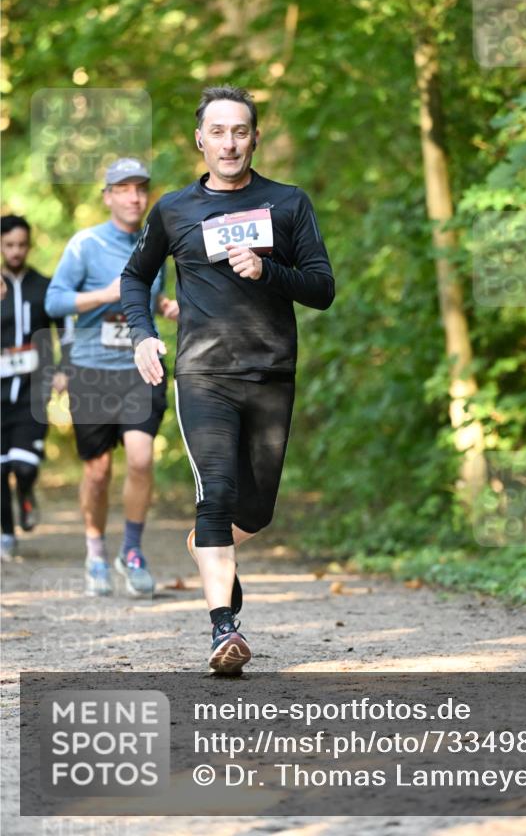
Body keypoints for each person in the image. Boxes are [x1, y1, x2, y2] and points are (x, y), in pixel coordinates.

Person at [121, 84, 335, 674]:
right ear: (200, 139)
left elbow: (322, 288)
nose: (229, 142)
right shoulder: (173, 209)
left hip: (271, 373)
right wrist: (144, 335)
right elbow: (135, 278)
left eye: (239, 131)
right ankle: (224, 629)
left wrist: (269, 272)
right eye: (217, 131)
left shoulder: (288, 204)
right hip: (203, 373)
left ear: (255, 137)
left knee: (256, 511)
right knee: (213, 493)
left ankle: (208, 547)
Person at [45, 159, 179, 598]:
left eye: (141, 188)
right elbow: (54, 302)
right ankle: (96, 552)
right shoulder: (85, 245)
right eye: (123, 189)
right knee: (98, 472)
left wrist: (165, 306)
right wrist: (108, 293)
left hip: (142, 365)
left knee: (141, 459)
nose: (134, 197)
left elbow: (151, 294)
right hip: (92, 370)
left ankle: (133, 551)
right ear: (107, 196)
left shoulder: (155, 242)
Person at [1, 215, 69, 560]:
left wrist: (63, 369)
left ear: (29, 245)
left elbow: (65, 329)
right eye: (9, 245)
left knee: (24, 466)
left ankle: (26, 493)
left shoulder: (45, 286)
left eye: (21, 245)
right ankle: (6, 533)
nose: (15, 251)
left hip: (33, 392)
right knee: (0, 468)